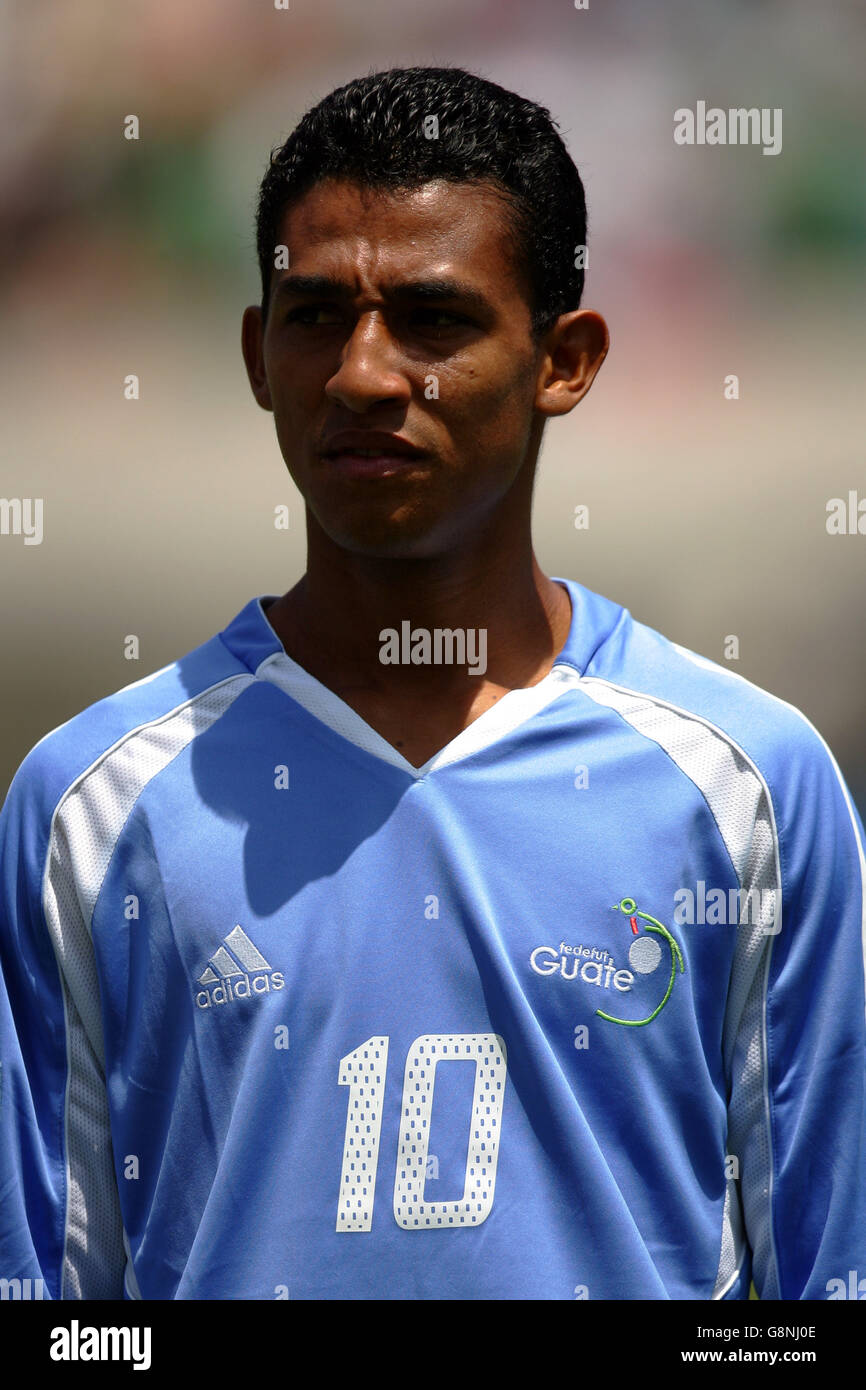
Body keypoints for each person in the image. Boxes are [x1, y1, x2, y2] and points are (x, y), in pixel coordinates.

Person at [1, 65, 864, 1302]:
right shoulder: (89, 806)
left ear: (563, 359)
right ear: (256, 354)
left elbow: (823, 1280)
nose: (361, 372)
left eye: (431, 318)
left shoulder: (746, 783)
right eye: (313, 316)